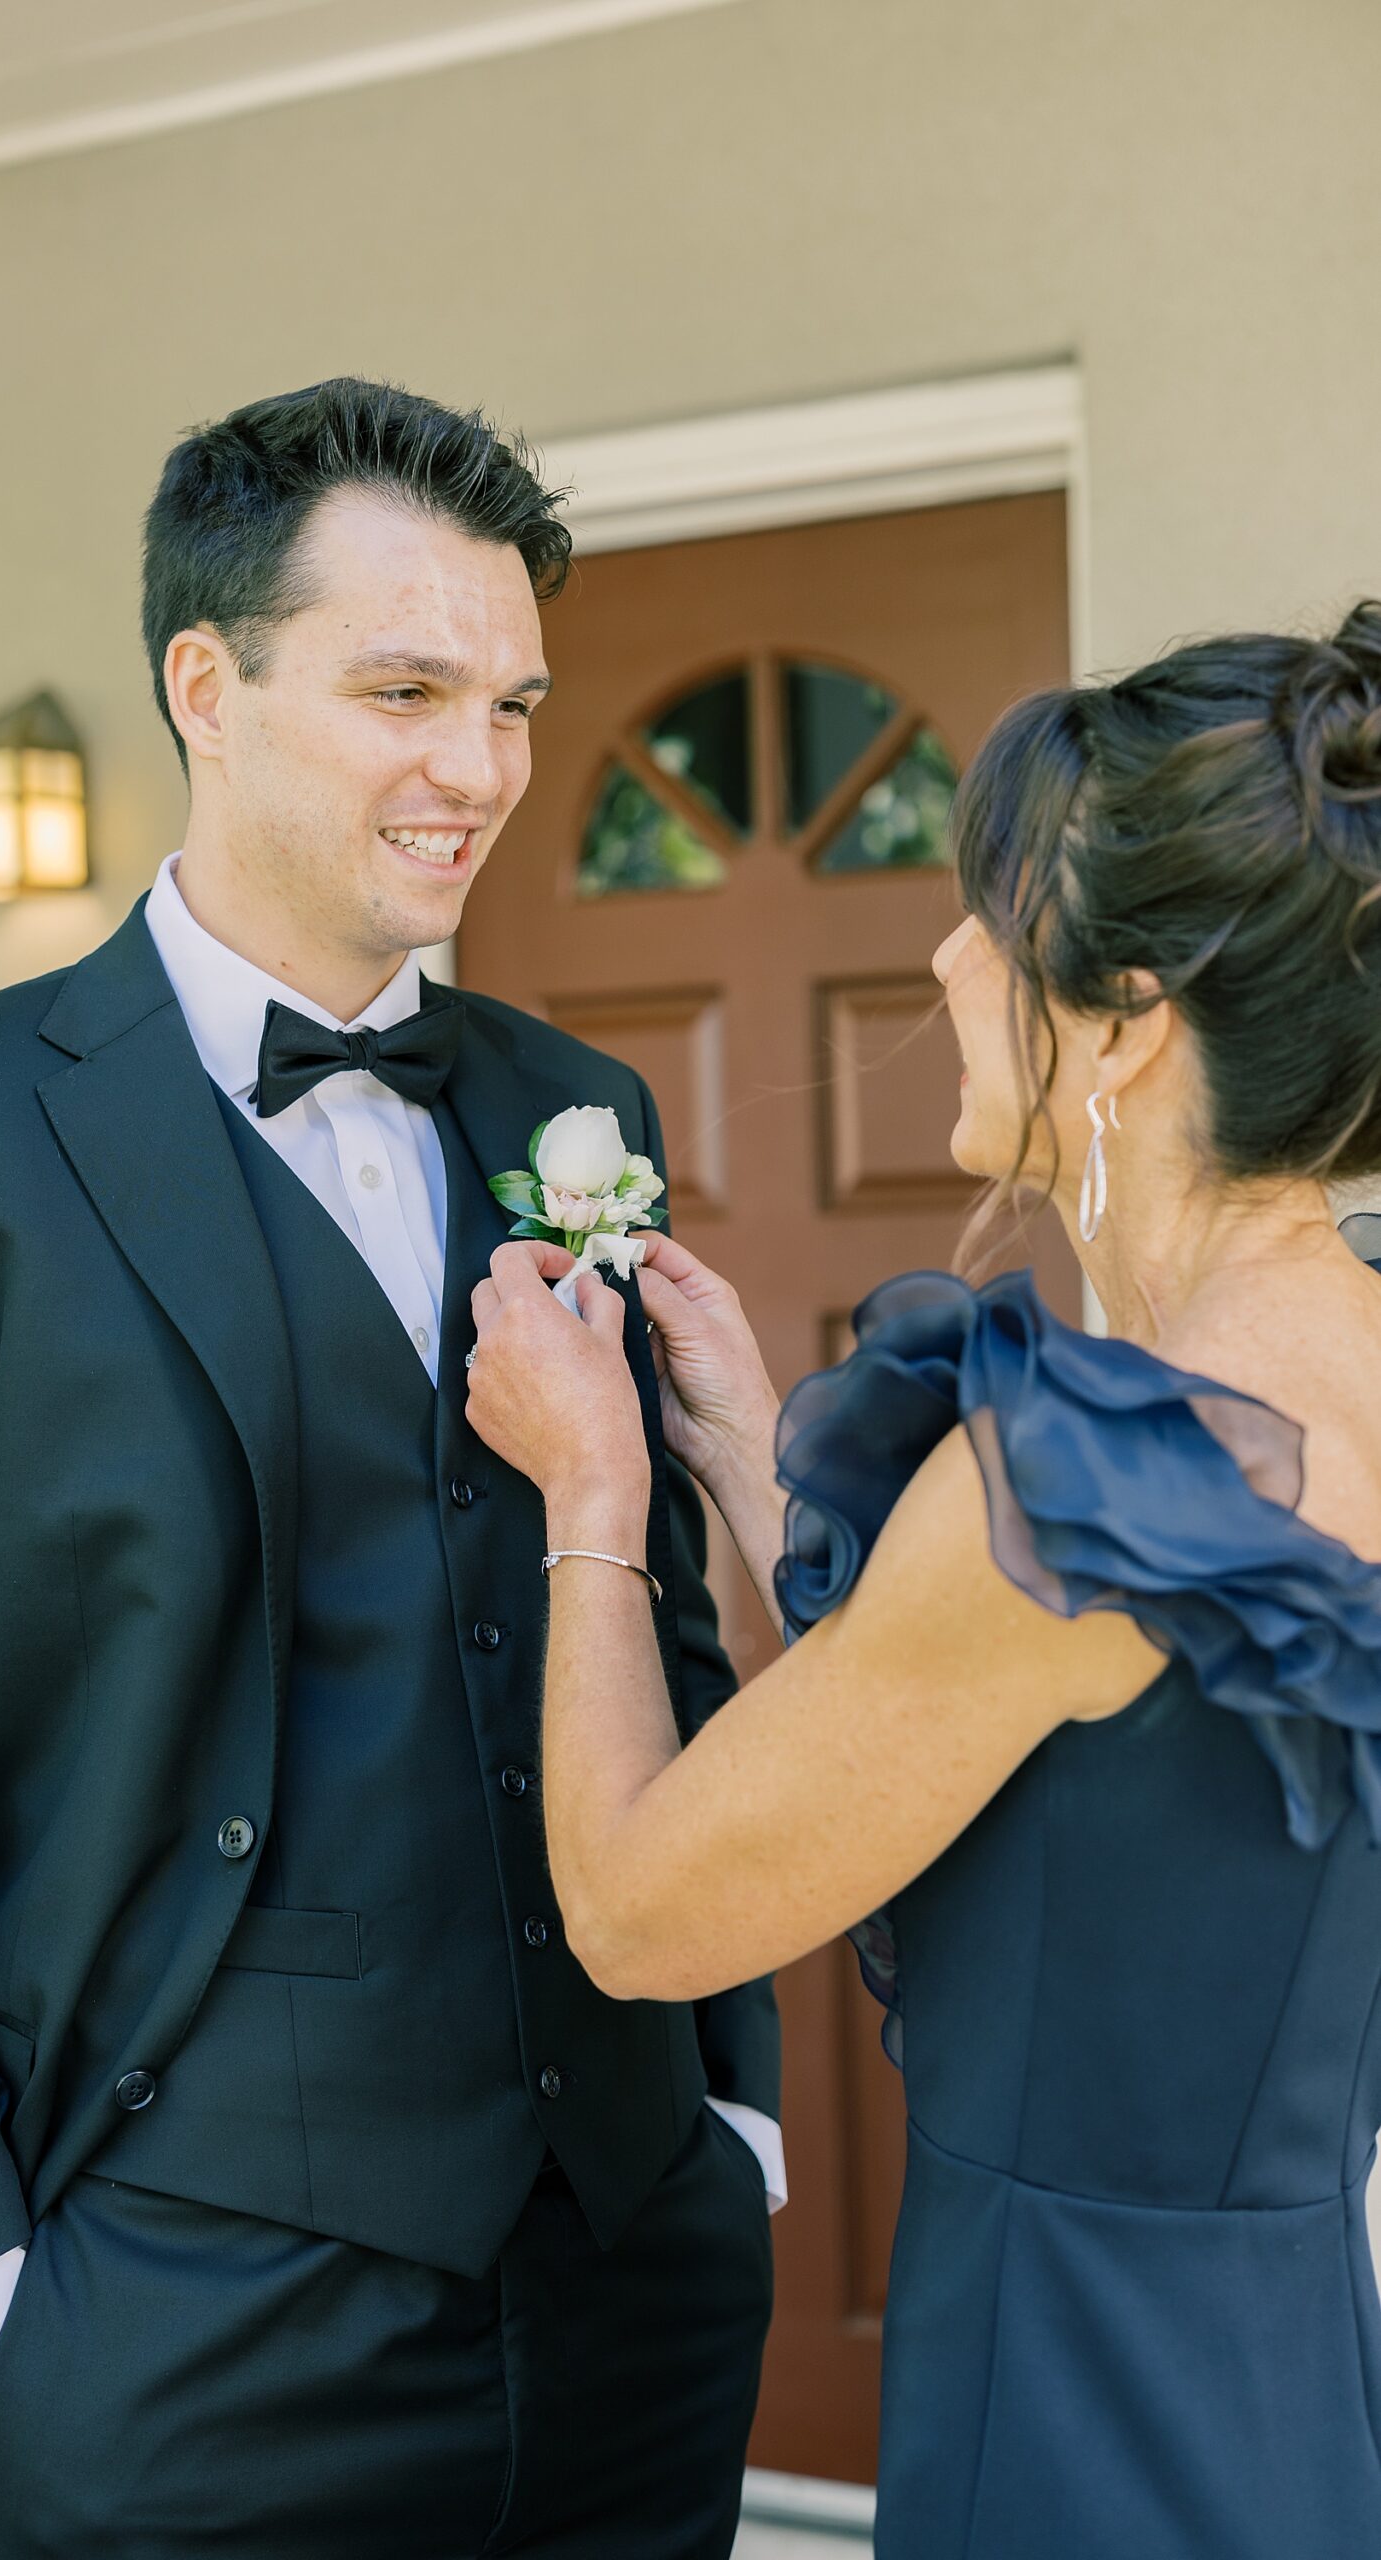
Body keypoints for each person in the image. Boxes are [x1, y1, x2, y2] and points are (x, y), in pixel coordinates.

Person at [0, 379, 779, 2556]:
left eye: (509, 702)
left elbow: (655, 1625)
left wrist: (729, 2118)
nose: (474, 768)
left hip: (623, 2275)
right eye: (403, 689)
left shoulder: (570, 1104)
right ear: (204, 683)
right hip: (161, 2315)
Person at [465, 603, 1381, 2559]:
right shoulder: (1306, 1404)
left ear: (1124, 1015)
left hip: (1064, 2405)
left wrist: (593, 1487)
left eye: (997, 913)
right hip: (1292, 2379)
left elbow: (637, 1909)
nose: (951, 954)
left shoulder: (1076, 1476)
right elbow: (1088, 1789)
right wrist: (740, 1453)